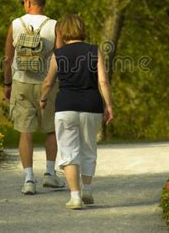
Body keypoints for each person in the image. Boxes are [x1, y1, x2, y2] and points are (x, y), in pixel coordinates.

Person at [40, 14, 114, 209]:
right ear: (82, 29)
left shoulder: (59, 54)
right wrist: (109, 105)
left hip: (66, 107)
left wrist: (42, 99)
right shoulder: (93, 51)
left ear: (63, 32)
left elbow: (48, 82)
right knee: (89, 148)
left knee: (68, 152)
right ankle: (87, 191)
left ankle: (75, 197)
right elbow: (103, 81)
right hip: (91, 106)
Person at [3, 0, 65, 195]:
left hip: (21, 82)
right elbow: (62, 57)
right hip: (47, 84)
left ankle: (29, 179)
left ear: (28, 2)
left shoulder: (15, 24)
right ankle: (50, 174)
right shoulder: (54, 25)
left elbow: (7, 59)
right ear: (43, 3)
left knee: (25, 131)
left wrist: (7, 84)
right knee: (51, 130)